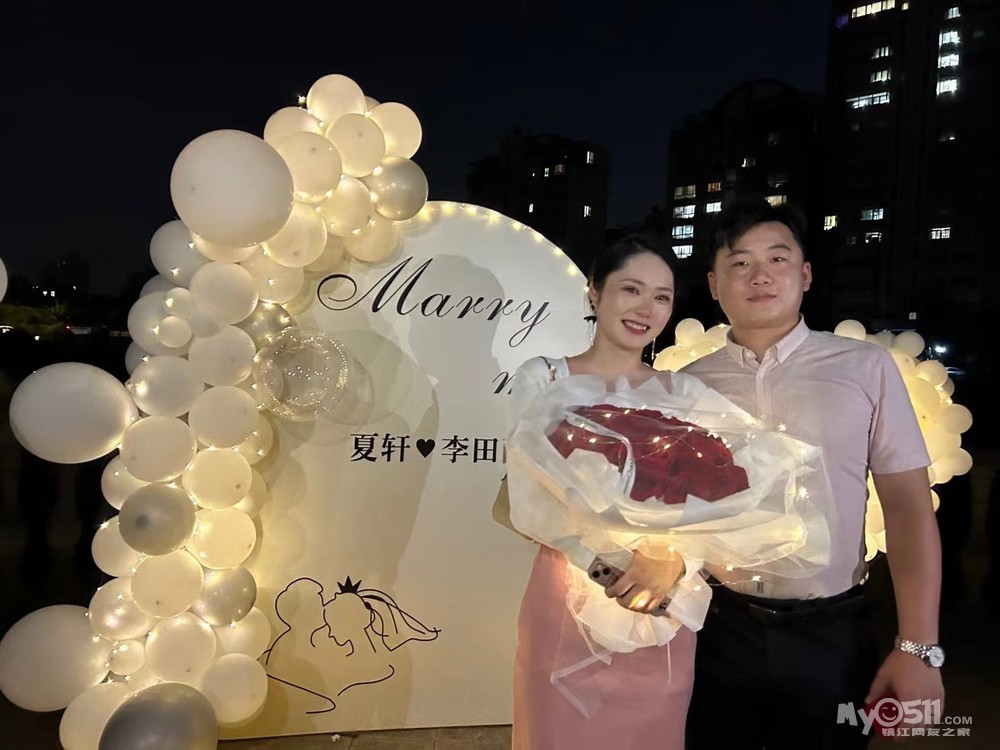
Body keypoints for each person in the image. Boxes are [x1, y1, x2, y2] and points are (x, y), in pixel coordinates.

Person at [683, 197, 944, 748]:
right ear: (713, 284)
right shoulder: (686, 386)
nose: (760, 275)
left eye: (777, 259)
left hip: (831, 635)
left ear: (805, 275)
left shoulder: (864, 368)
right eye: (740, 262)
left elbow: (907, 506)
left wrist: (920, 648)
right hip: (714, 628)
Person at [502, 234, 694, 749]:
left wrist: (674, 561)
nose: (646, 308)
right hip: (570, 592)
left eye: (661, 296)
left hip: (661, 603)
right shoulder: (544, 378)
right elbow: (525, 498)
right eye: (631, 289)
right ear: (594, 290)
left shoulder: (685, 394)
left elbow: (712, 505)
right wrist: (613, 562)